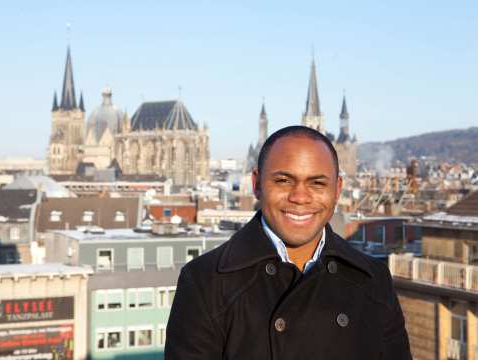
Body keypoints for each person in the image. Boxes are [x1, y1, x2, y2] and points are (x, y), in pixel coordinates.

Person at [165, 126, 412, 360]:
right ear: (256, 184)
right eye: (283, 180)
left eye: (317, 183)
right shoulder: (205, 283)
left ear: (337, 190)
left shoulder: (373, 279)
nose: (300, 197)